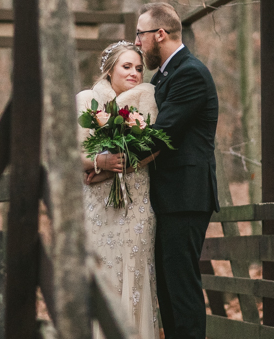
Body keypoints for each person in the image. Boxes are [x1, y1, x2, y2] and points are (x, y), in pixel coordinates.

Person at [135, 2, 219, 339]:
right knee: (168, 290)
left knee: (181, 289)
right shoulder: (165, 75)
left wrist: (111, 162)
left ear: (160, 34)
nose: (137, 42)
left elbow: (163, 134)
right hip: (168, 198)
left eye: (140, 34)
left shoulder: (190, 73)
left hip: (186, 196)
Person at [76, 41, 160, 339]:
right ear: (110, 70)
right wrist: (101, 162)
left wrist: (115, 166)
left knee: (135, 280)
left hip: (136, 205)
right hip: (99, 209)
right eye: (127, 67)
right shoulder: (88, 100)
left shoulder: (148, 99)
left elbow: (154, 148)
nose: (135, 73)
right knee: (102, 277)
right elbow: (71, 154)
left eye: (139, 68)